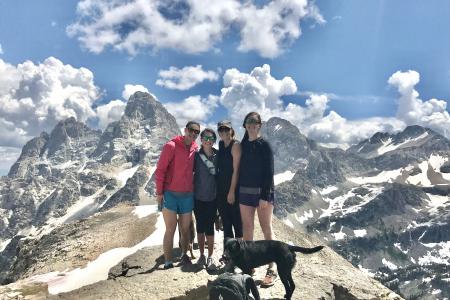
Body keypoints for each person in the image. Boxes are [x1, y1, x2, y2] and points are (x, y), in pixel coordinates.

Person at [154, 121, 200, 269]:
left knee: (185, 229)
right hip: (170, 195)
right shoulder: (171, 146)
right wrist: (160, 193)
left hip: (187, 195)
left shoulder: (195, 148)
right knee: (170, 229)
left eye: (196, 132)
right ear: (185, 130)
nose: (193, 134)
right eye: (191, 130)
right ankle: (168, 261)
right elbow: (160, 170)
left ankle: (183, 255)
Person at [238, 112, 276, 286]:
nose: (252, 124)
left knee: (266, 227)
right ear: (245, 125)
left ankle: (272, 267)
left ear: (259, 125)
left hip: (262, 194)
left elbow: (269, 172)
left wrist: (264, 196)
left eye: (255, 122)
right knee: (247, 228)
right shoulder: (243, 145)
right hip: (244, 192)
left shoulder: (264, 145)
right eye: (249, 121)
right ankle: (249, 264)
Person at [216, 120, 243, 258]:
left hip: (233, 191)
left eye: (226, 129)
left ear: (231, 130)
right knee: (226, 224)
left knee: (237, 224)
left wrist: (231, 191)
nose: (223, 132)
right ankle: (228, 256)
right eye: (221, 130)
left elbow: (236, 170)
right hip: (221, 190)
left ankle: (241, 256)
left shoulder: (235, 145)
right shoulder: (221, 144)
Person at [193, 128, 219, 271]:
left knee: (209, 227)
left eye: (211, 138)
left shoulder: (218, 155)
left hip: (212, 197)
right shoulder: (196, 156)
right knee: (200, 226)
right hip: (198, 197)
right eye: (205, 138)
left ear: (214, 141)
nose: (208, 141)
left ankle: (210, 256)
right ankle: (202, 255)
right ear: (201, 140)